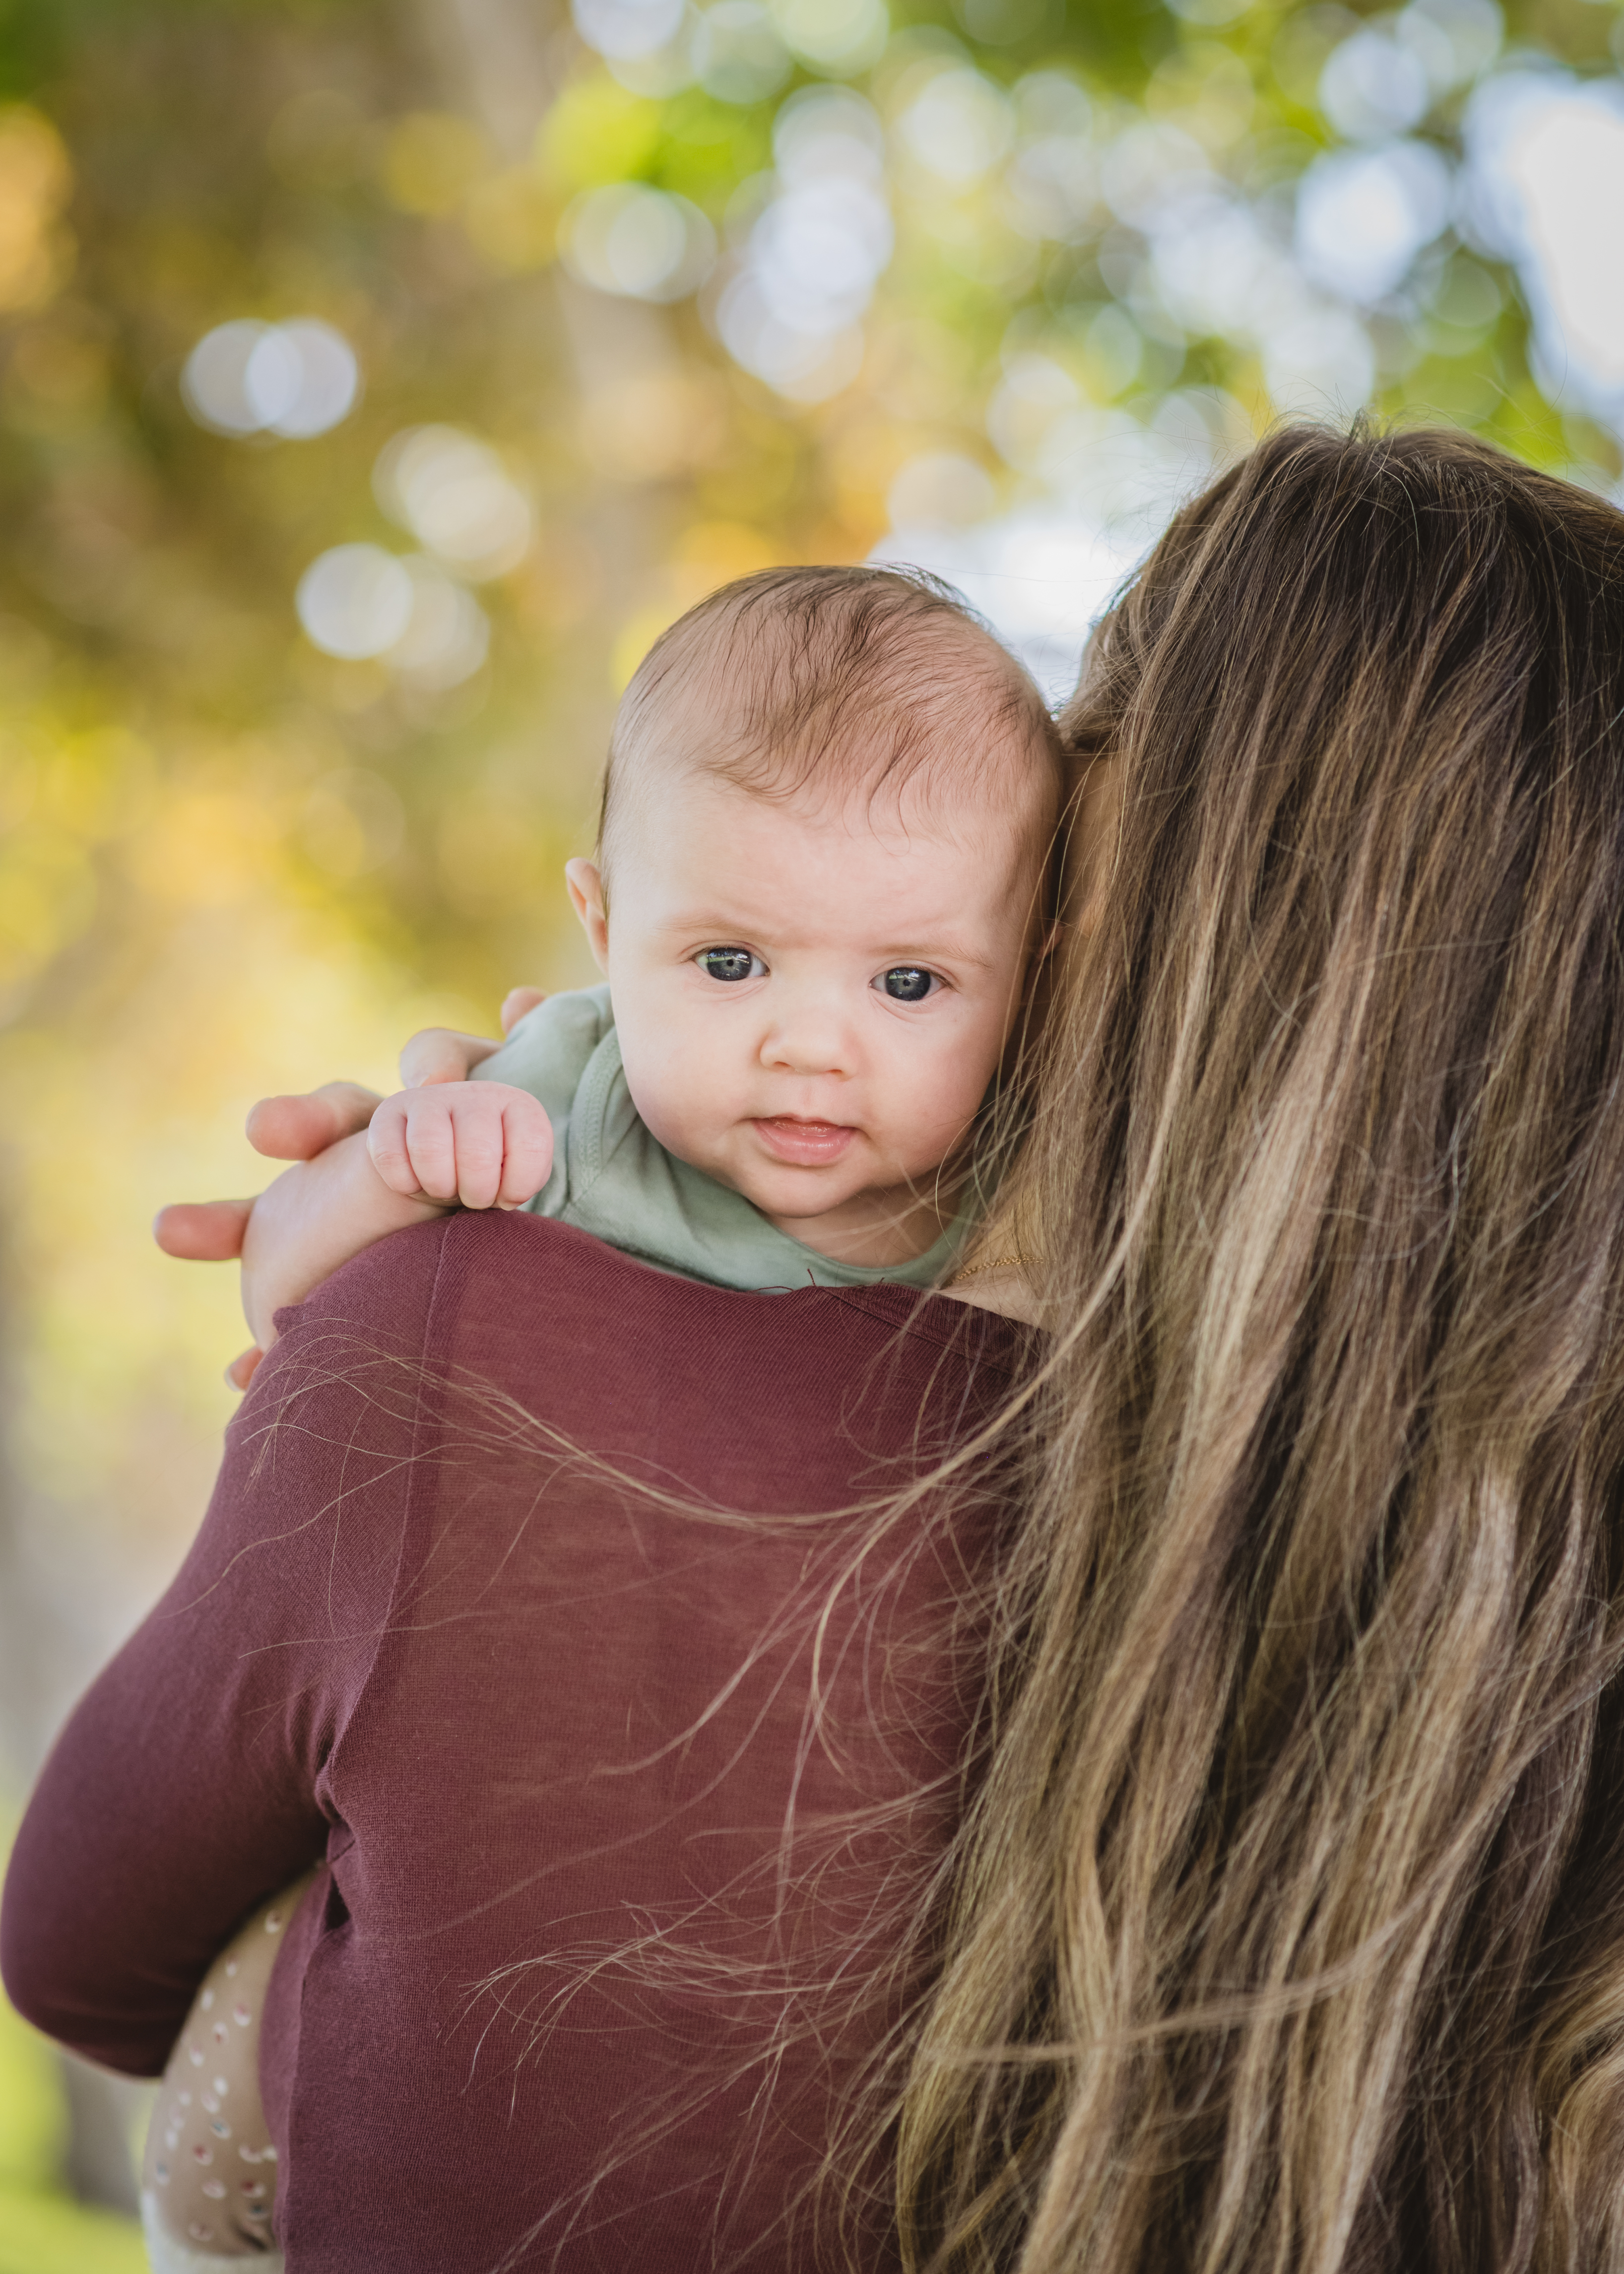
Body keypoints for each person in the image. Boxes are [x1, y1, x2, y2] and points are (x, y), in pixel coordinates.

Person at [11, 420, 1624, 2274]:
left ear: (1099, 912)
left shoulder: (467, 1343)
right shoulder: (1518, 1668)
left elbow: (77, 1950)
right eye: (736, 962)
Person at [187, 563, 1061, 1399]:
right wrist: (397, 1173)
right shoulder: (563, 1101)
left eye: (907, 983)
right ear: (604, 927)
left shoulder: (1043, 1175)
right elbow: (277, 1294)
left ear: (1028, 980)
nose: (809, 1048)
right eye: (730, 963)